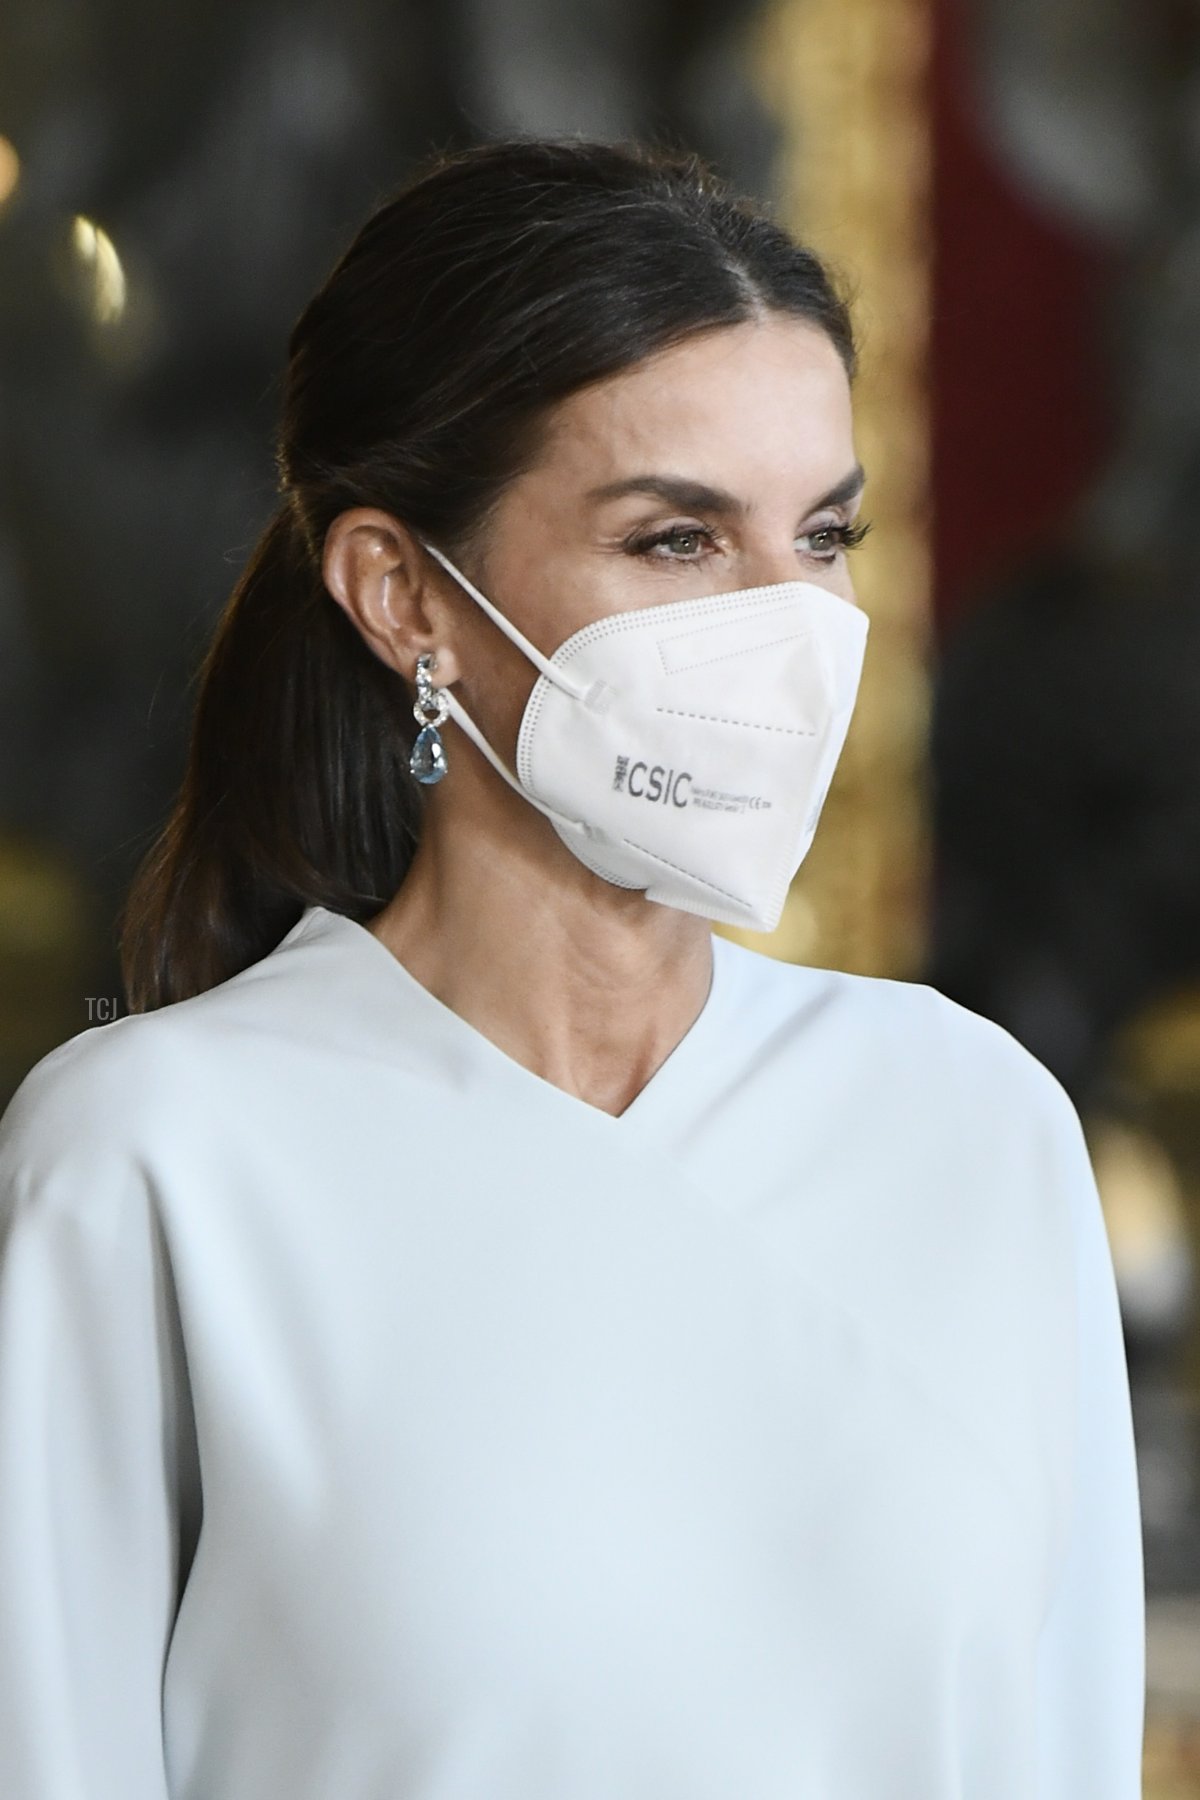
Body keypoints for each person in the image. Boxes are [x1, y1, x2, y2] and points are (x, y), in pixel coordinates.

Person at [0, 136, 1144, 1798]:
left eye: (821, 536)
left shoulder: (975, 1124)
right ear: (404, 596)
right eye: (677, 540)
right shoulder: (152, 1159)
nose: (787, 630)